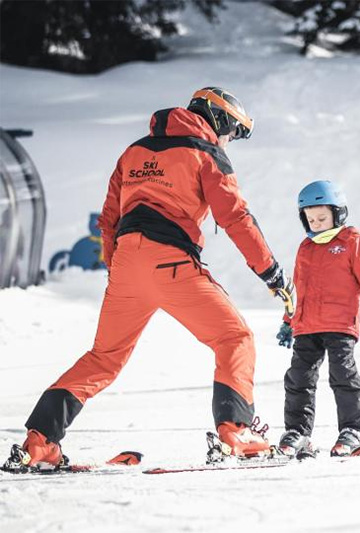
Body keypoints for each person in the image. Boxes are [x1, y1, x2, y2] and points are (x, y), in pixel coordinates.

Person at [10, 87, 293, 470]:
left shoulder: (134, 152)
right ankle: (236, 432)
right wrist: (270, 272)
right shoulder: (207, 154)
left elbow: (108, 219)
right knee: (235, 338)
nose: (229, 141)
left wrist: (119, 269)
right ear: (218, 119)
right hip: (171, 263)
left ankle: (40, 441)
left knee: (103, 359)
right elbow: (235, 218)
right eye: (231, 132)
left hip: (127, 264)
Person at [275, 180, 360, 458]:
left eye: (322, 218)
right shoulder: (306, 247)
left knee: (342, 375)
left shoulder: (352, 242)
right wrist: (288, 321)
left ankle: (354, 430)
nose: (316, 224)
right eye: (310, 219)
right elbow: (297, 289)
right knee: (298, 378)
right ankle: (298, 432)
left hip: (339, 324)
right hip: (306, 325)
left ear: (338, 214)